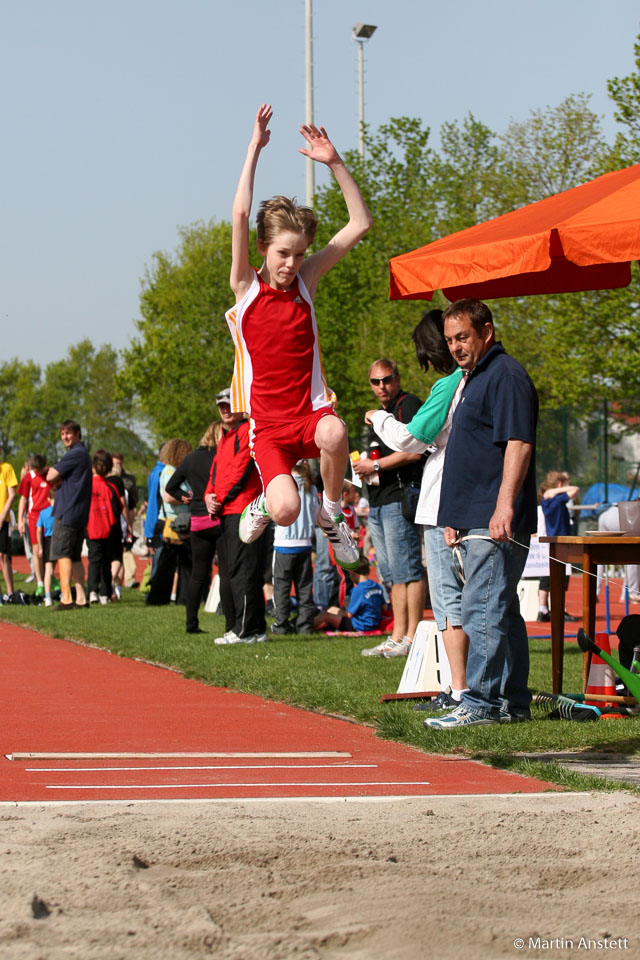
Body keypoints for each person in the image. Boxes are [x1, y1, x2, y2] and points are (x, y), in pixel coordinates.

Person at [226, 104, 373, 571]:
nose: (291, 264)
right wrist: (255, 148)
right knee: (287, 509)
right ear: (264, 250)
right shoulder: (246, 288)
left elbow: (359, 225)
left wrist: (335, 163)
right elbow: (241, 211)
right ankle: (265, 505)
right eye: (283, 254)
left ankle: (332, 517)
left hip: (309, 414)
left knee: (336, 430)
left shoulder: (307, 281)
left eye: (299, 254)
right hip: (268, 426)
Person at [424, 299, 538, 729]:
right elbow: (469, 452)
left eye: (463, 337)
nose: (455, 346)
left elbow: (518, 443)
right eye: (450, 339)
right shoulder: (473, 378)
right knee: (500, 609)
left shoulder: (505, 375)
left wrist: (504, 505)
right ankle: (512, 701)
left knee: (481, 608)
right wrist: (454, 512)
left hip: (496, 518)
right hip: (472, 515)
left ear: (486, 331)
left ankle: (483, 704)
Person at [366, 310, 470, 709]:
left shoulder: (448, 386)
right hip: (448, 503)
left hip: (441, 506)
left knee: (447, 600)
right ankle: (465, 688)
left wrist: (378, 419)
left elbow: (412, 439)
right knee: (451, 596)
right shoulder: (464, 383)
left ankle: (459, 691)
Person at [354, 359, 425, 658]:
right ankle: (397, 635)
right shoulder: (378, 415)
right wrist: (362, 470)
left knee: (408, 570)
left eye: (387, 379)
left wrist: (377, 464)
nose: (382, 386)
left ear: (397, 378)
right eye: (375, 381)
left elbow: (415, 449)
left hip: (399, 498)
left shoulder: (407, 405)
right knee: (392, 573)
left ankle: (413, 637)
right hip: (378, 500)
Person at [203, 389, 266, 644]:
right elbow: (216, 470)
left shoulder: (248, 430)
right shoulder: (224, 437)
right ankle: (251, 628)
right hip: (227, 511)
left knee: (244, 571)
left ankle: (246, 631)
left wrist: (218, 496)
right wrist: (208, 495)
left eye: (229, 404)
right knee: (234, 571)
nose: (225, 410)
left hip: (242, 510)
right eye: (221, 406)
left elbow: (241, 469)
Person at [165, 421, 221, 634]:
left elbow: (171, 487)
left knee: (198, 574)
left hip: (198, 520)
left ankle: (191, 624)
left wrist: (185, 497)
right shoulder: (221, 457)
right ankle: (232, 623)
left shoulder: (190, 460)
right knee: (226, 571)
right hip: (219, 517)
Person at [46, 420, 92, 610]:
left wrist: (56, 476)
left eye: (69, 433)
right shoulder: (84, 454)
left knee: (63, 554)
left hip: (67, 512)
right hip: (79, 513)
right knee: (74, 557)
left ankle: (66, 598)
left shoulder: (75, 453)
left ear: (78, 434)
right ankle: (81, 598)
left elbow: (50, 475)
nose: (65, 437)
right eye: (63, 434)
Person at [271, 460, 318, 635]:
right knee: (305, 588)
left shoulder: (281, 484)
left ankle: (281, 625)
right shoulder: (310, 486)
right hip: (304, 543)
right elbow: (315, 513)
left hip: (284, 543)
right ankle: (305, 626)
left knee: (281, 588)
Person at [146, 438, 193, 605]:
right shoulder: (170, 471)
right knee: (168, 565)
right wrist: (188, 499)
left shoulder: (173, 470)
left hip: (177, 521)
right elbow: (169, 497)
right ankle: (160, 597)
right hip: (172, 522)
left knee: (177, 564)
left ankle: (179, 597)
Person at [537, 470, 580, 622]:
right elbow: (575, 490)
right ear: (559, 484)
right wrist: (558, 489)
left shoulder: (546, 499)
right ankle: (557, 609)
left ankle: (543, 610)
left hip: (552, 540)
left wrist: (553, 490)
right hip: (560, 540)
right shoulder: (557, 498)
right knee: (560, 576)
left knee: (547, 575)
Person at [313, 556, 385, 633]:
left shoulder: (358, 590)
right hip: (373, 623)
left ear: (353, 573)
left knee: (326, 616)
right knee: (332, 609)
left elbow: (348, 615)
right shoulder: (376, 586)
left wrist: (346, 605)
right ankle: (323, 627)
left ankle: (305, 627)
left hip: (359, 626)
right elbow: (384, 607)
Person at [86, 450, 122, 605]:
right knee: (106, 562)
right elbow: (118, 508)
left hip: (91, 528)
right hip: (107, 530)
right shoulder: (110, 487)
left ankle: (92, 591)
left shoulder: (86, 486)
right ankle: (104, 593)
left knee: (94, 560)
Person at [17, 454, 51, 596]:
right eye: (36, 469)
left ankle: (51, 578)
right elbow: (23, 499)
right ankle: (40, 582)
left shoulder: (51, 474)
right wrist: (20, 520)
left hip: (50, 516)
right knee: (37, 550)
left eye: (41, 469)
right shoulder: (28, 477)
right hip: (34, 517)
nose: (39, 472)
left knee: (50, 550)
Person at [0, 449, 18, 601]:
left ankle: (10, 593)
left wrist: (2, 516)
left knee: (3, 556)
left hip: (2, 519)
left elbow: (12, 494)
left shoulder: (6, 468)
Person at [36, 488, 57, 606]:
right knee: (61, 566)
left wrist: (40, 546)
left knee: (48, 570)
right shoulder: (61, 512)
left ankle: (48, 596)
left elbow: (38, 530)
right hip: (58, 539)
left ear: (49, 499)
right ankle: (64, 593)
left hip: (48, 540)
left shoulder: (43, 513)